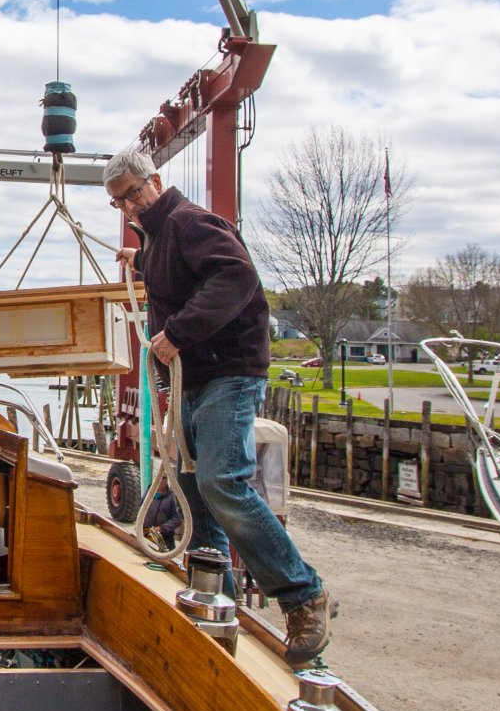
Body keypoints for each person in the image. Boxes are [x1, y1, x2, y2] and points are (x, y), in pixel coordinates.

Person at [104, 147, 333, 664]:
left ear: (155, 181)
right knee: (188, 481)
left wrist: (177, 333)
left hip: (227, 371)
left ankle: (303, 595)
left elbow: (234, 277)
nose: (129, 208)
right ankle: (217, 602)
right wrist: (136, 259)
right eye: (118, 202)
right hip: (194, 379)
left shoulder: (191, 221)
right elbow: (177, 274)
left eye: (133, 195)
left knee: (220, 480)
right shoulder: (159, 238)